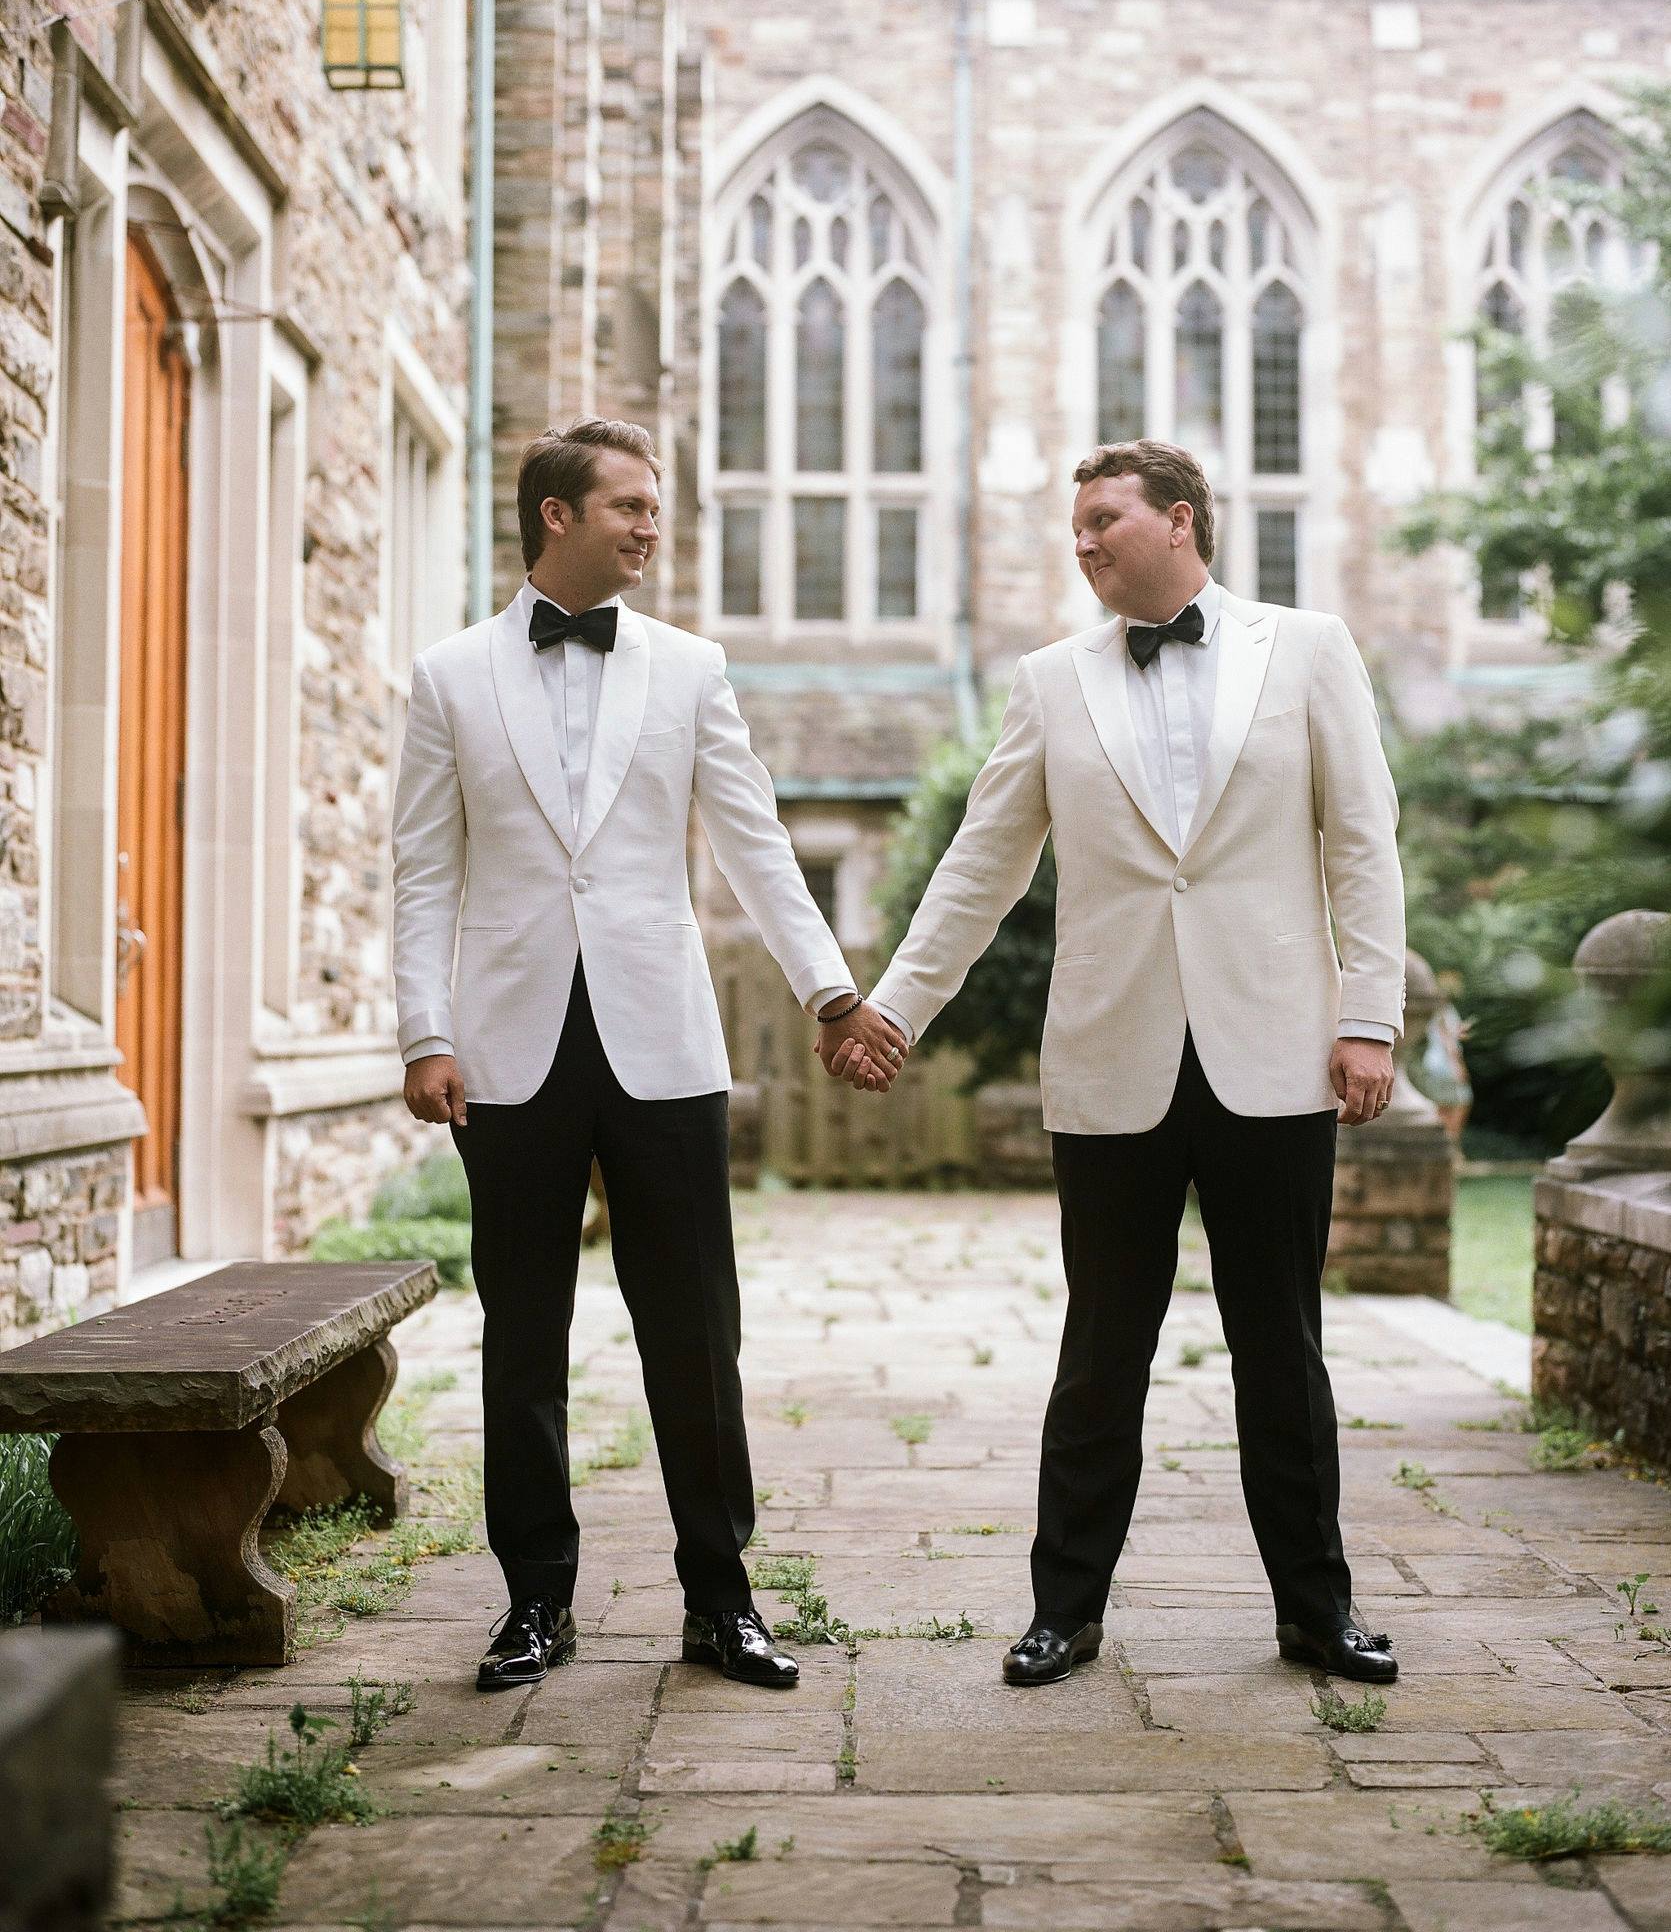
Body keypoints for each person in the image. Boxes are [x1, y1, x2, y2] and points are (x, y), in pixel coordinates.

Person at [842, 439, 1406, 1687]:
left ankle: (1318, 1610)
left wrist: (1370, 1016)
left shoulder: (1307, 650)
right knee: (1101, 1349)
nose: (1083, 542)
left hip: (1272, 1053)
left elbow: (1364, 842)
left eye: (1104, 519)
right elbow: (981, 866)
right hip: (1113, 1057)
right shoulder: (1051, 683)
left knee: (1283, 1346)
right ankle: (1065, 1610)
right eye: (1076, 526)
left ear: (1181, 520)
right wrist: (895, 1006)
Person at [392, 417, 904, 1692]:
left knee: (693, 1331)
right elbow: (421, 868)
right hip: (506, 1052)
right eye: (628, 503)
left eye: (655, 504)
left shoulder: (688, 667)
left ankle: (722, 1600)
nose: (651, 523)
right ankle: (533, 1601)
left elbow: (754, 836)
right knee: (524, 1334)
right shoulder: (450, 674)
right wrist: (424, 1029)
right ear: (557, 515)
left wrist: (832, 993)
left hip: (663, 1046)